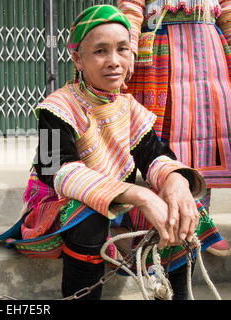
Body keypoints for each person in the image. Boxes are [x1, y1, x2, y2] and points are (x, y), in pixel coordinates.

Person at [0, 5, 223, 300]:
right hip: (58, 208)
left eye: (122, 49)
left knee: (184, 208)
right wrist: (143, 196)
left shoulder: (129, 108)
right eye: (100, 52)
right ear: (77, 59)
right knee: (91, 215)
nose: (114, 62)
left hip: (115, 202)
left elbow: (155, 154)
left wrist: (177, 183)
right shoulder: (56, 108)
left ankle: (177, 294)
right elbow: (57, 171)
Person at [118, 0, 231, 256]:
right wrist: (127, 49)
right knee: (161, 138)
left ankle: (200, 221)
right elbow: (132, 7)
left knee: (206, 139)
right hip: (162, 54)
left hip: (209, 54)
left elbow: (227, 9)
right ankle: (150, 224)